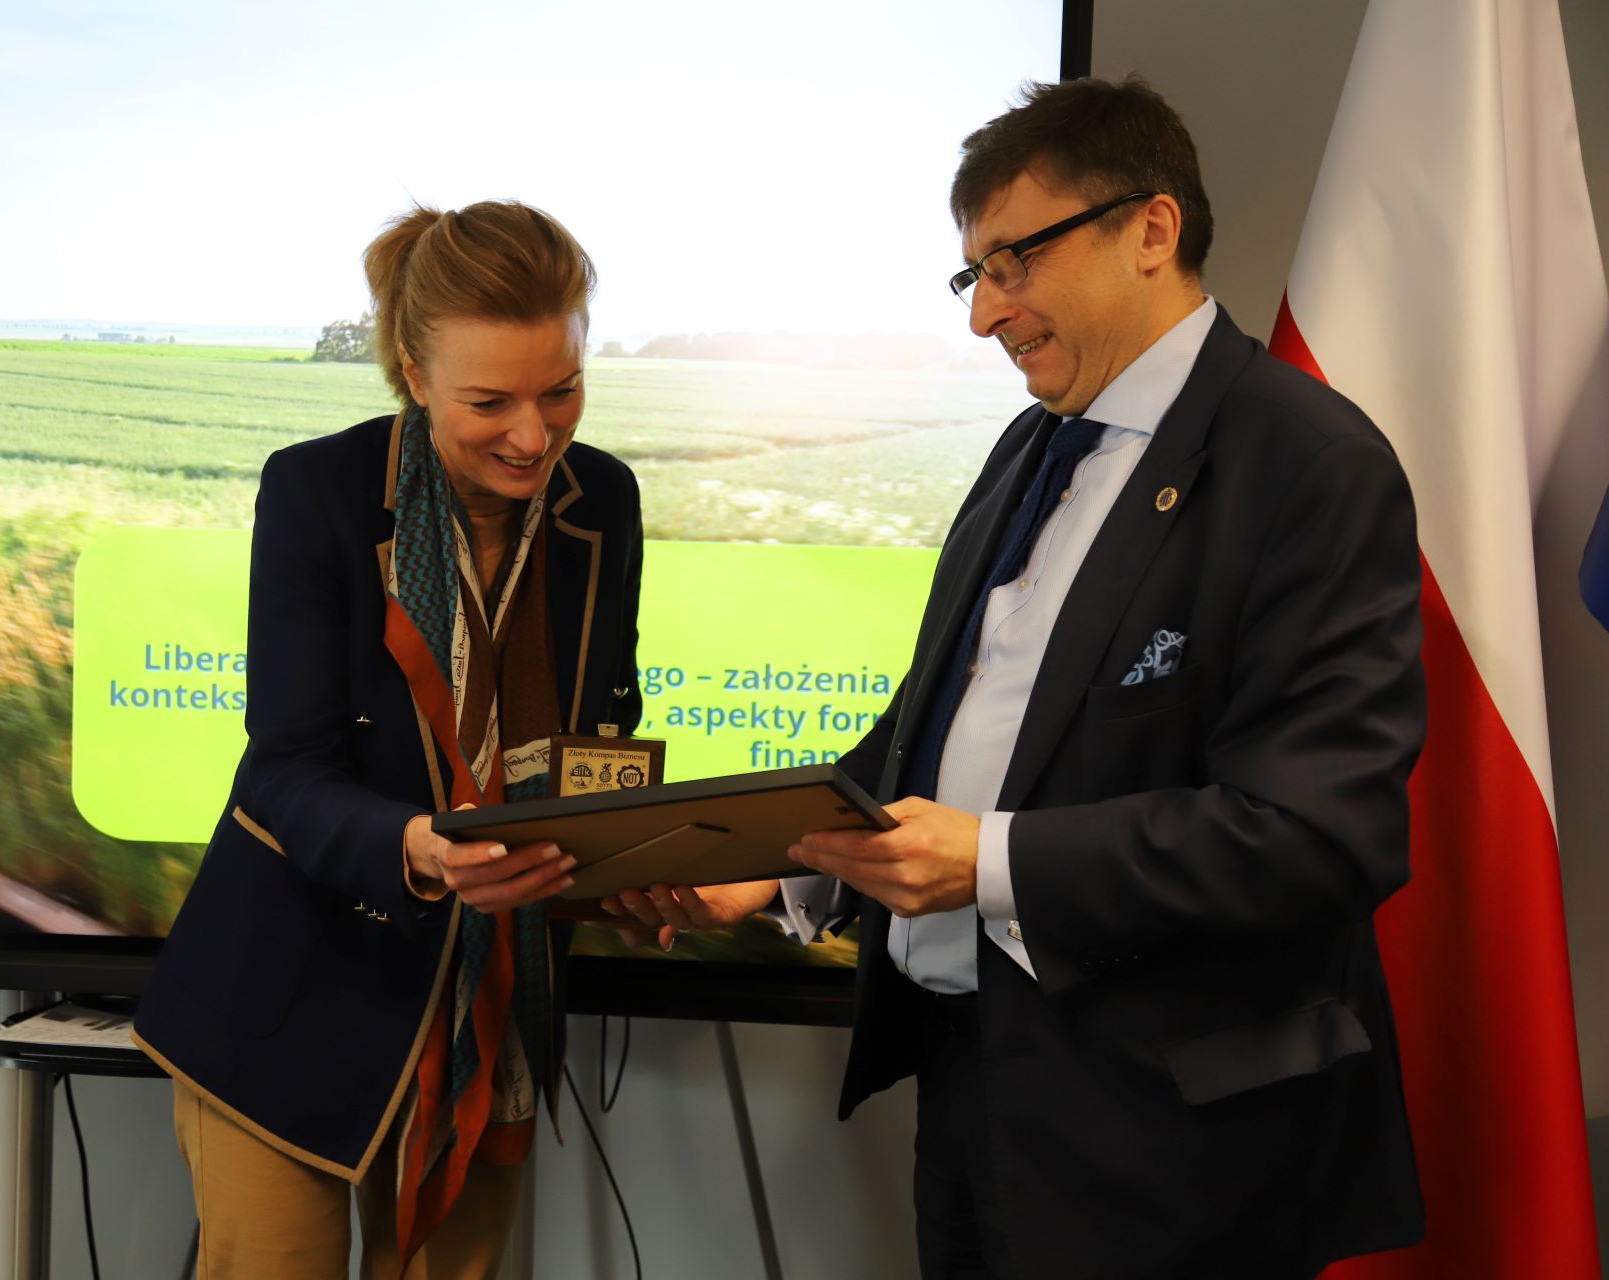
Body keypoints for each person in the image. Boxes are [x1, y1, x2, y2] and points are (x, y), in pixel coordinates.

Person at [605, 78, 1427, 1279]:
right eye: (973, 276)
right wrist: (779, 858)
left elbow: (1320, 833)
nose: (987, 312)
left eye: (1014, 261)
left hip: (1177, 1144)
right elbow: (937, 726)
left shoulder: (1310, 463)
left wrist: (989, 861)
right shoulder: (1033, 442)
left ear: (1151, 229)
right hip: (976, 1090)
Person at [134, 199, 643, 1279]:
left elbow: (601, 723)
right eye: (489, 401)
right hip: (295, 994)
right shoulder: (317, 490)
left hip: (491, 997)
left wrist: (629, 855)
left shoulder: (603, 498)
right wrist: (420, 846)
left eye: (561, 390)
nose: (535, 435)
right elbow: (285, 770)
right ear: (414, 374)